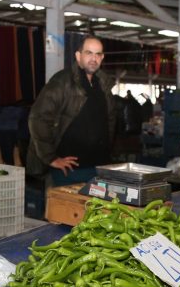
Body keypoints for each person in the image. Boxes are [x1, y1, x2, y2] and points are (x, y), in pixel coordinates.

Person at [27, 35, 115, 186]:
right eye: (89, 53)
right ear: (78, 55)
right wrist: (51, 158)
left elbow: (110, 121)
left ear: (102, 57)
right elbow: (38, 118)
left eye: (98, 54)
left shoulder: (104, 85)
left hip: (99, 168)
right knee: (66, 209)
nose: (94, 58)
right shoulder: (62, 81)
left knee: (97, 209)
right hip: (69, 171)